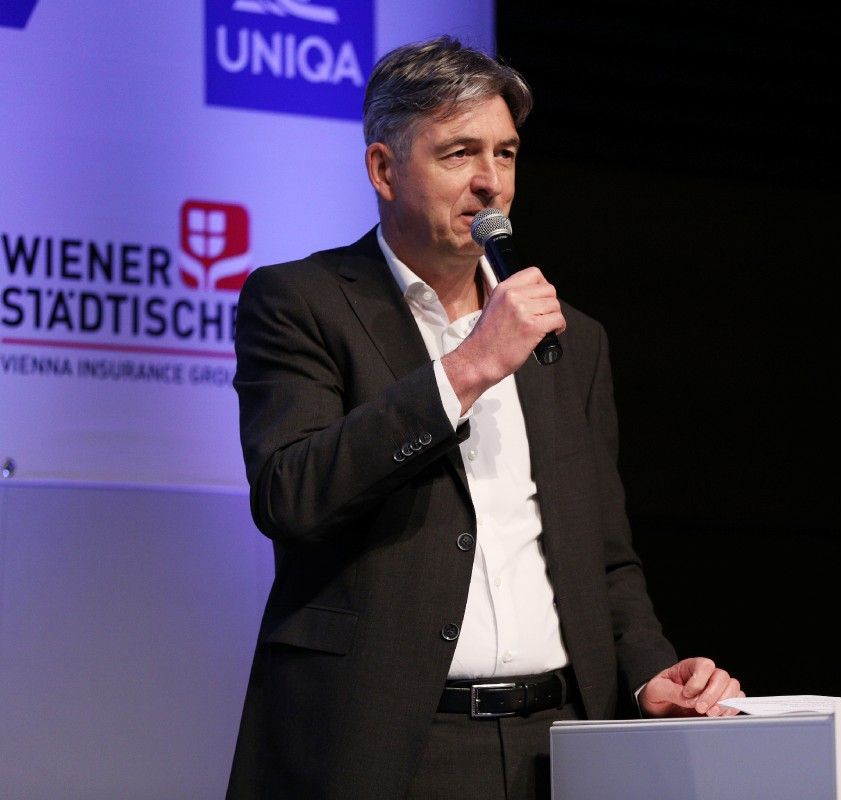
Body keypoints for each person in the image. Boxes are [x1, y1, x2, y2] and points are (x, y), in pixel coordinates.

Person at [225, 34, 743, 800]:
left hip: (557, 740)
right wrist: (468, 367)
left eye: (505, 154)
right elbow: (290, 494)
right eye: (459, 153)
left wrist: (648, 674)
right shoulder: (301, 303)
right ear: (383, 169)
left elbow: (605, 557)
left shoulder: (569, 338)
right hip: (388, 746)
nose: (490, 181)